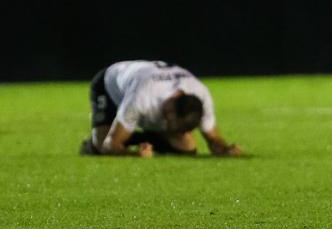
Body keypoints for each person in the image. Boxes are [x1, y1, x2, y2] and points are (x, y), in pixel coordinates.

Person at [79, 60, 241, 158]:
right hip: (110, 84)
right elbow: (110, 145)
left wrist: (225, 149)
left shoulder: (201, 95)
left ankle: (141, 139)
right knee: (101, 145)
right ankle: (89, 145)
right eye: (174, 126)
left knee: (187, 148)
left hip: (144, 82)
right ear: (171, 107)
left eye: (181, 130)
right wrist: (135, 155)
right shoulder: (142, 97)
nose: (179, 132)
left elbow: (214, 140)